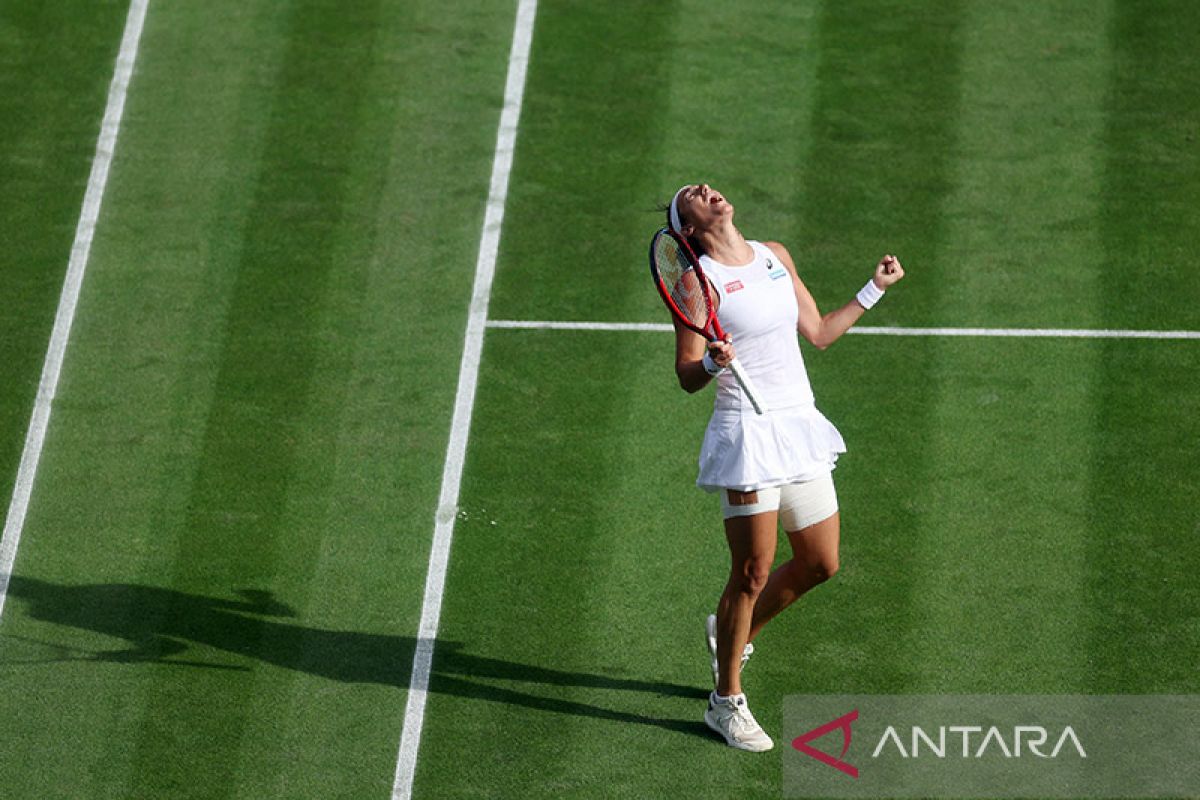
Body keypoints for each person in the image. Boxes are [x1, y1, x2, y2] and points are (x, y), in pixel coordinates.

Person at [664, 183, 904, 752]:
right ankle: (725, 702)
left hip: (796, 427)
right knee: (752, 571)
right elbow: (686, 373)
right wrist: (715, 365)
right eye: (690, 197)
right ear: (689, 229)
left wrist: (875, 288)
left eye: (704, 186)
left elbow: (818, 332)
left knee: (820, 562)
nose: (704, 189)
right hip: (746, 434)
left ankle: (730, 637)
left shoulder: (774, 255)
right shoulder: (695, 286)